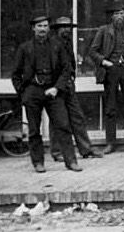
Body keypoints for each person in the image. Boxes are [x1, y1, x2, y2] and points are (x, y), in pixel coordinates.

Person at [11, 14, 81, 172]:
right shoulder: (25, 48)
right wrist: (24, 93)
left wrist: (57, 88)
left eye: (45, 26)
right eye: (39, 26)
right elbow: (15, 74)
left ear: (49, 28)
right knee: (34, 130)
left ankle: (71, 161)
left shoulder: (57, 46)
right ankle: (38, 162)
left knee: (63, 126)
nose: (42, 29)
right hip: (33, 91)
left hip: (53, 90)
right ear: (33, 28)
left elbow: (66, 69)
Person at [88, 5, 124, 155]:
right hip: (111, 70)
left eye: (122, 13)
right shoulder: (104, 30)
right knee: (110, 108)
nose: (120, 16)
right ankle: (110, 143)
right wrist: (103, 61)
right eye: (116, 13)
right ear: (111, 17)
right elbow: (92, 51)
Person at [49, 17, 103, 162]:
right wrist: (56, 85)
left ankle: (85, 149)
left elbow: (69, 65)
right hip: (56, 86)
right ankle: (57, 151)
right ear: (57, 29)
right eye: (63, 27)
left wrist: (71, 78)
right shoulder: (52, 45)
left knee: (77, 117)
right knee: (57, 121)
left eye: (68, 27)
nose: (66, 30)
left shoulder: (67, 43)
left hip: (68, 86)